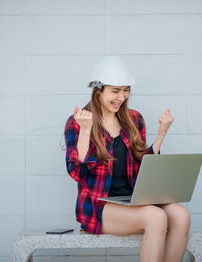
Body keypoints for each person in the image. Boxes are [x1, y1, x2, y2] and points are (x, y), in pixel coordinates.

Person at [64, 56, 191, 262]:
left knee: (181, 216)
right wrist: (86, 131)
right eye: (115, 91)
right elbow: (77, 173)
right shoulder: (78, 121)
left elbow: (143, 167)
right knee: (156, 217)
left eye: (126, 90)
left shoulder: (134, 119)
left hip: (133, 200)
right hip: (99, 207)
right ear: (98, 90)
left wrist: (161, 136)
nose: (121, 97)